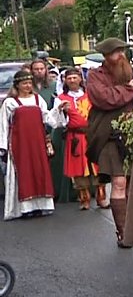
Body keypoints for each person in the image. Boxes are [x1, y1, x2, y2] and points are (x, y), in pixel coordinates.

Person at [86, 37, 133, 248]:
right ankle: (124, 232)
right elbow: (105, 98)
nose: (120, 56)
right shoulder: (95, 76)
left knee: (132, 184)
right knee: (119, 183)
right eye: (116, 52)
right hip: (109, 135)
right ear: (106, 56)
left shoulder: (129, 72)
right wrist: (131, 90)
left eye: (122, 51)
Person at [1, 71, 69, 220]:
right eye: (24, 83)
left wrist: (58, 109)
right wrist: (3, 147)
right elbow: (3, 125)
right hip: (20, 144)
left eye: (29, 83)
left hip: (37, 142)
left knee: (39, 170)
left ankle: (41, 205)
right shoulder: (10, 103)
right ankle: (25, 208)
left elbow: (49, 119)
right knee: (24, 171)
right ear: (17, 85)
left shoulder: (38, 100)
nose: (27, 86)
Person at [57, 69, 106, 211]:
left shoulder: (90, 96)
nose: (72, 80)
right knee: (78, 170)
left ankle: (101, 198)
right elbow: (58, 122)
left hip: (92, 136)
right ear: (65, 80)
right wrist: (61, 111)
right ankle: (84, 200)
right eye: (69, 78)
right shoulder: (61, 99)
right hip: (75, 138)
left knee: (98, 167)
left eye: (75, 77)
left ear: (80, 79)